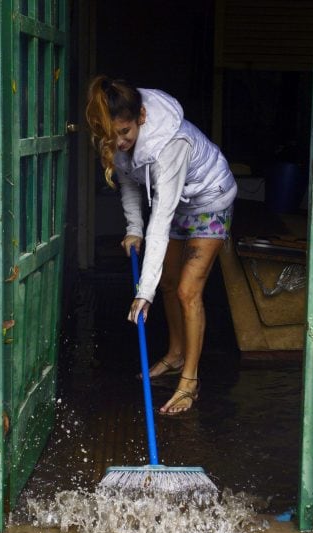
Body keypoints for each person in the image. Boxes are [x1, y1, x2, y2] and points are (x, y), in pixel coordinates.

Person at [85, 76, 237, 415]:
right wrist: (133, 228)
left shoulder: (171, 144)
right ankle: (174, 355)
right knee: (168, 283)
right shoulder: (117, 138)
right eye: (113, 135)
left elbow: (161, 219)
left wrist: (143, 292)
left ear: (141, 116)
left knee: (187, 291)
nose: (119, 142)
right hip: (178, 204)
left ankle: (190, 382)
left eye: (124, 133)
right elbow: (127, 181)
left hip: (210, 201)